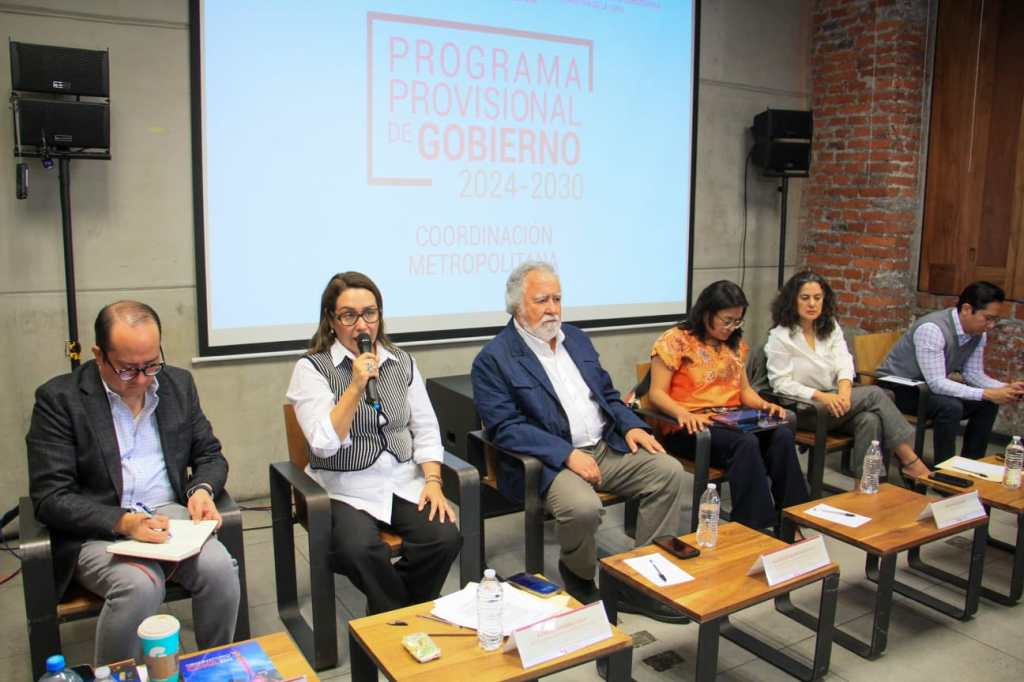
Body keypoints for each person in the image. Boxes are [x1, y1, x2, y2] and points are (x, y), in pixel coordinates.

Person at [472, 261, 687, 623]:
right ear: (517, 307)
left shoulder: (577, 339)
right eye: (541, 300)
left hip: (604, 447)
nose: (553, 309)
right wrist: (567, 454)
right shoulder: (494, 359)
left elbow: (608, 394)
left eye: (557, 299)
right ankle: (579, 575)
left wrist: (631, 426)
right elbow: (505, 427)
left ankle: (638, 582)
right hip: (547, 463)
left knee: (668, 472)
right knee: (583, 508)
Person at [26, 301, 240, 665]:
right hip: (100, 525)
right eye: (127, 369)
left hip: (168, 517)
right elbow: (51, 497)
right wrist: (124, 522)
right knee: (141, 585)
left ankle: (213, 667)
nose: (142, 380)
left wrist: (202, 491)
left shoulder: (177, 385)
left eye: (151, 365)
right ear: (99, 355)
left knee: (220, 569)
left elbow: (209, 454)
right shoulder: (60, 400)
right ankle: (117, 675)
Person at [286, 271, 462, 615]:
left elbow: (426, 428)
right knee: (358, 551)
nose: (361, 325)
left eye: (370, 313)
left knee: (444, 538)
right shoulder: (312, 369)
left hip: (402, 481)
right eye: (349, 316)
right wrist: (354, 387)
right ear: (331, 320)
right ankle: (401, 620)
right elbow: (323, 444)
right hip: (343, 488)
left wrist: (433, 480)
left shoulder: (402, 361)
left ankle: (389, 615)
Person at [647, 280, 809, 532]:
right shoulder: (675, 340)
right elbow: (656, 393)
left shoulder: (734, 344)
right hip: (690, 427)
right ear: (706, 313)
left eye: (737, 321)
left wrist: (765, 405)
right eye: (726, 320)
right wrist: (684, 414)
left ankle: (792, 520)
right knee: (746, 443)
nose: (731, 327)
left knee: (782, 434)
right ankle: (751, 528)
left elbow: (744, 391)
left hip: (731, 420)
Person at [765, 271, 930, 481]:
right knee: (876, 394)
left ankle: (867, 485)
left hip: (837, 402)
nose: (812, 304)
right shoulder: (780, 337)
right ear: (792, 301)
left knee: (869, 420)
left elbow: (844, 360)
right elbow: (780, 384)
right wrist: (822, 397)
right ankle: (910, 460)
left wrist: (844, 392)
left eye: (817, 298)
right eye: (805, 298)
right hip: (806, 408)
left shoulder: (830, 326)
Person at [878, 281, 1024, 463]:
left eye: (995, 320)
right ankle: (945, 469)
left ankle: (972, 464)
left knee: (987, 403)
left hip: (926, 388)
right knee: (950, 407)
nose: (991, 325)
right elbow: (937, 383)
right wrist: (987, 393)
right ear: (967, 309)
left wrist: (1006, 388)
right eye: (988, 318)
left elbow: (974, 374)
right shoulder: (932, 329)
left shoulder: (978, 334)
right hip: (897, 387)